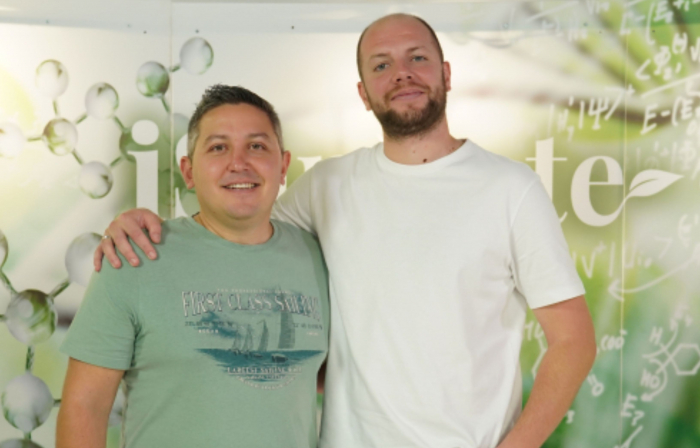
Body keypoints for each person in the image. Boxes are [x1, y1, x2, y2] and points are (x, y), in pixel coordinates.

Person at [94, 14, 596, 448]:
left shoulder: (511, 189)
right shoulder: (328, 185)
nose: (401, 74)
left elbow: (573, 342)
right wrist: (137, 224)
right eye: (381, 65)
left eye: (417, 58)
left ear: (445, 73)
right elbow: (234, 226)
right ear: (363, 94)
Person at [57, 85, 329, 448]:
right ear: (188, 171)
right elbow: (84, 408)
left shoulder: (319, 259)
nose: (239, 163)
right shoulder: (135, 256)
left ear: (283, 166)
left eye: (257, 146)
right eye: (218, 147)